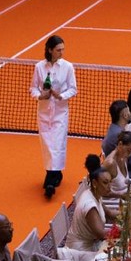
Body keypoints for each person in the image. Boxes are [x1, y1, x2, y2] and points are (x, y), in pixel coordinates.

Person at [30, 34, 77, 199]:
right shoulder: (39, 67)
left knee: (57, 143)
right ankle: (56, 173)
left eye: (63, 49)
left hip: (60, 112)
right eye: (58, 50)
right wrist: (40, 95)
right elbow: (33, 88)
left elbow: (73, 89)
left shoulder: (68, 67)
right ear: (50, 50)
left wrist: (60, 96)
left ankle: (50, 179)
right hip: (44, 112)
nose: (61, 53)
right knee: (48, 145)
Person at [64, 158, 112, 252]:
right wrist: (122, 231)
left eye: (110, 182)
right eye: (105, 183)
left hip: (92, 244)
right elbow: (101, 234)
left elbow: (110, 213)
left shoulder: (95, 193)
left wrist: (129, 215)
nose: (109, 186)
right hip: (80, 251)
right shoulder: (90, 206)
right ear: (94, 183)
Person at [104, 128, 131, 198]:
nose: (130, 154)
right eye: (128, 150)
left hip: (127, 199)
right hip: (115, 204)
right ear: (120, 144)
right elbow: (102, 192)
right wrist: (122, 196)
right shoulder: (110, 164)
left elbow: (124, 185)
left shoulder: (124, 157)